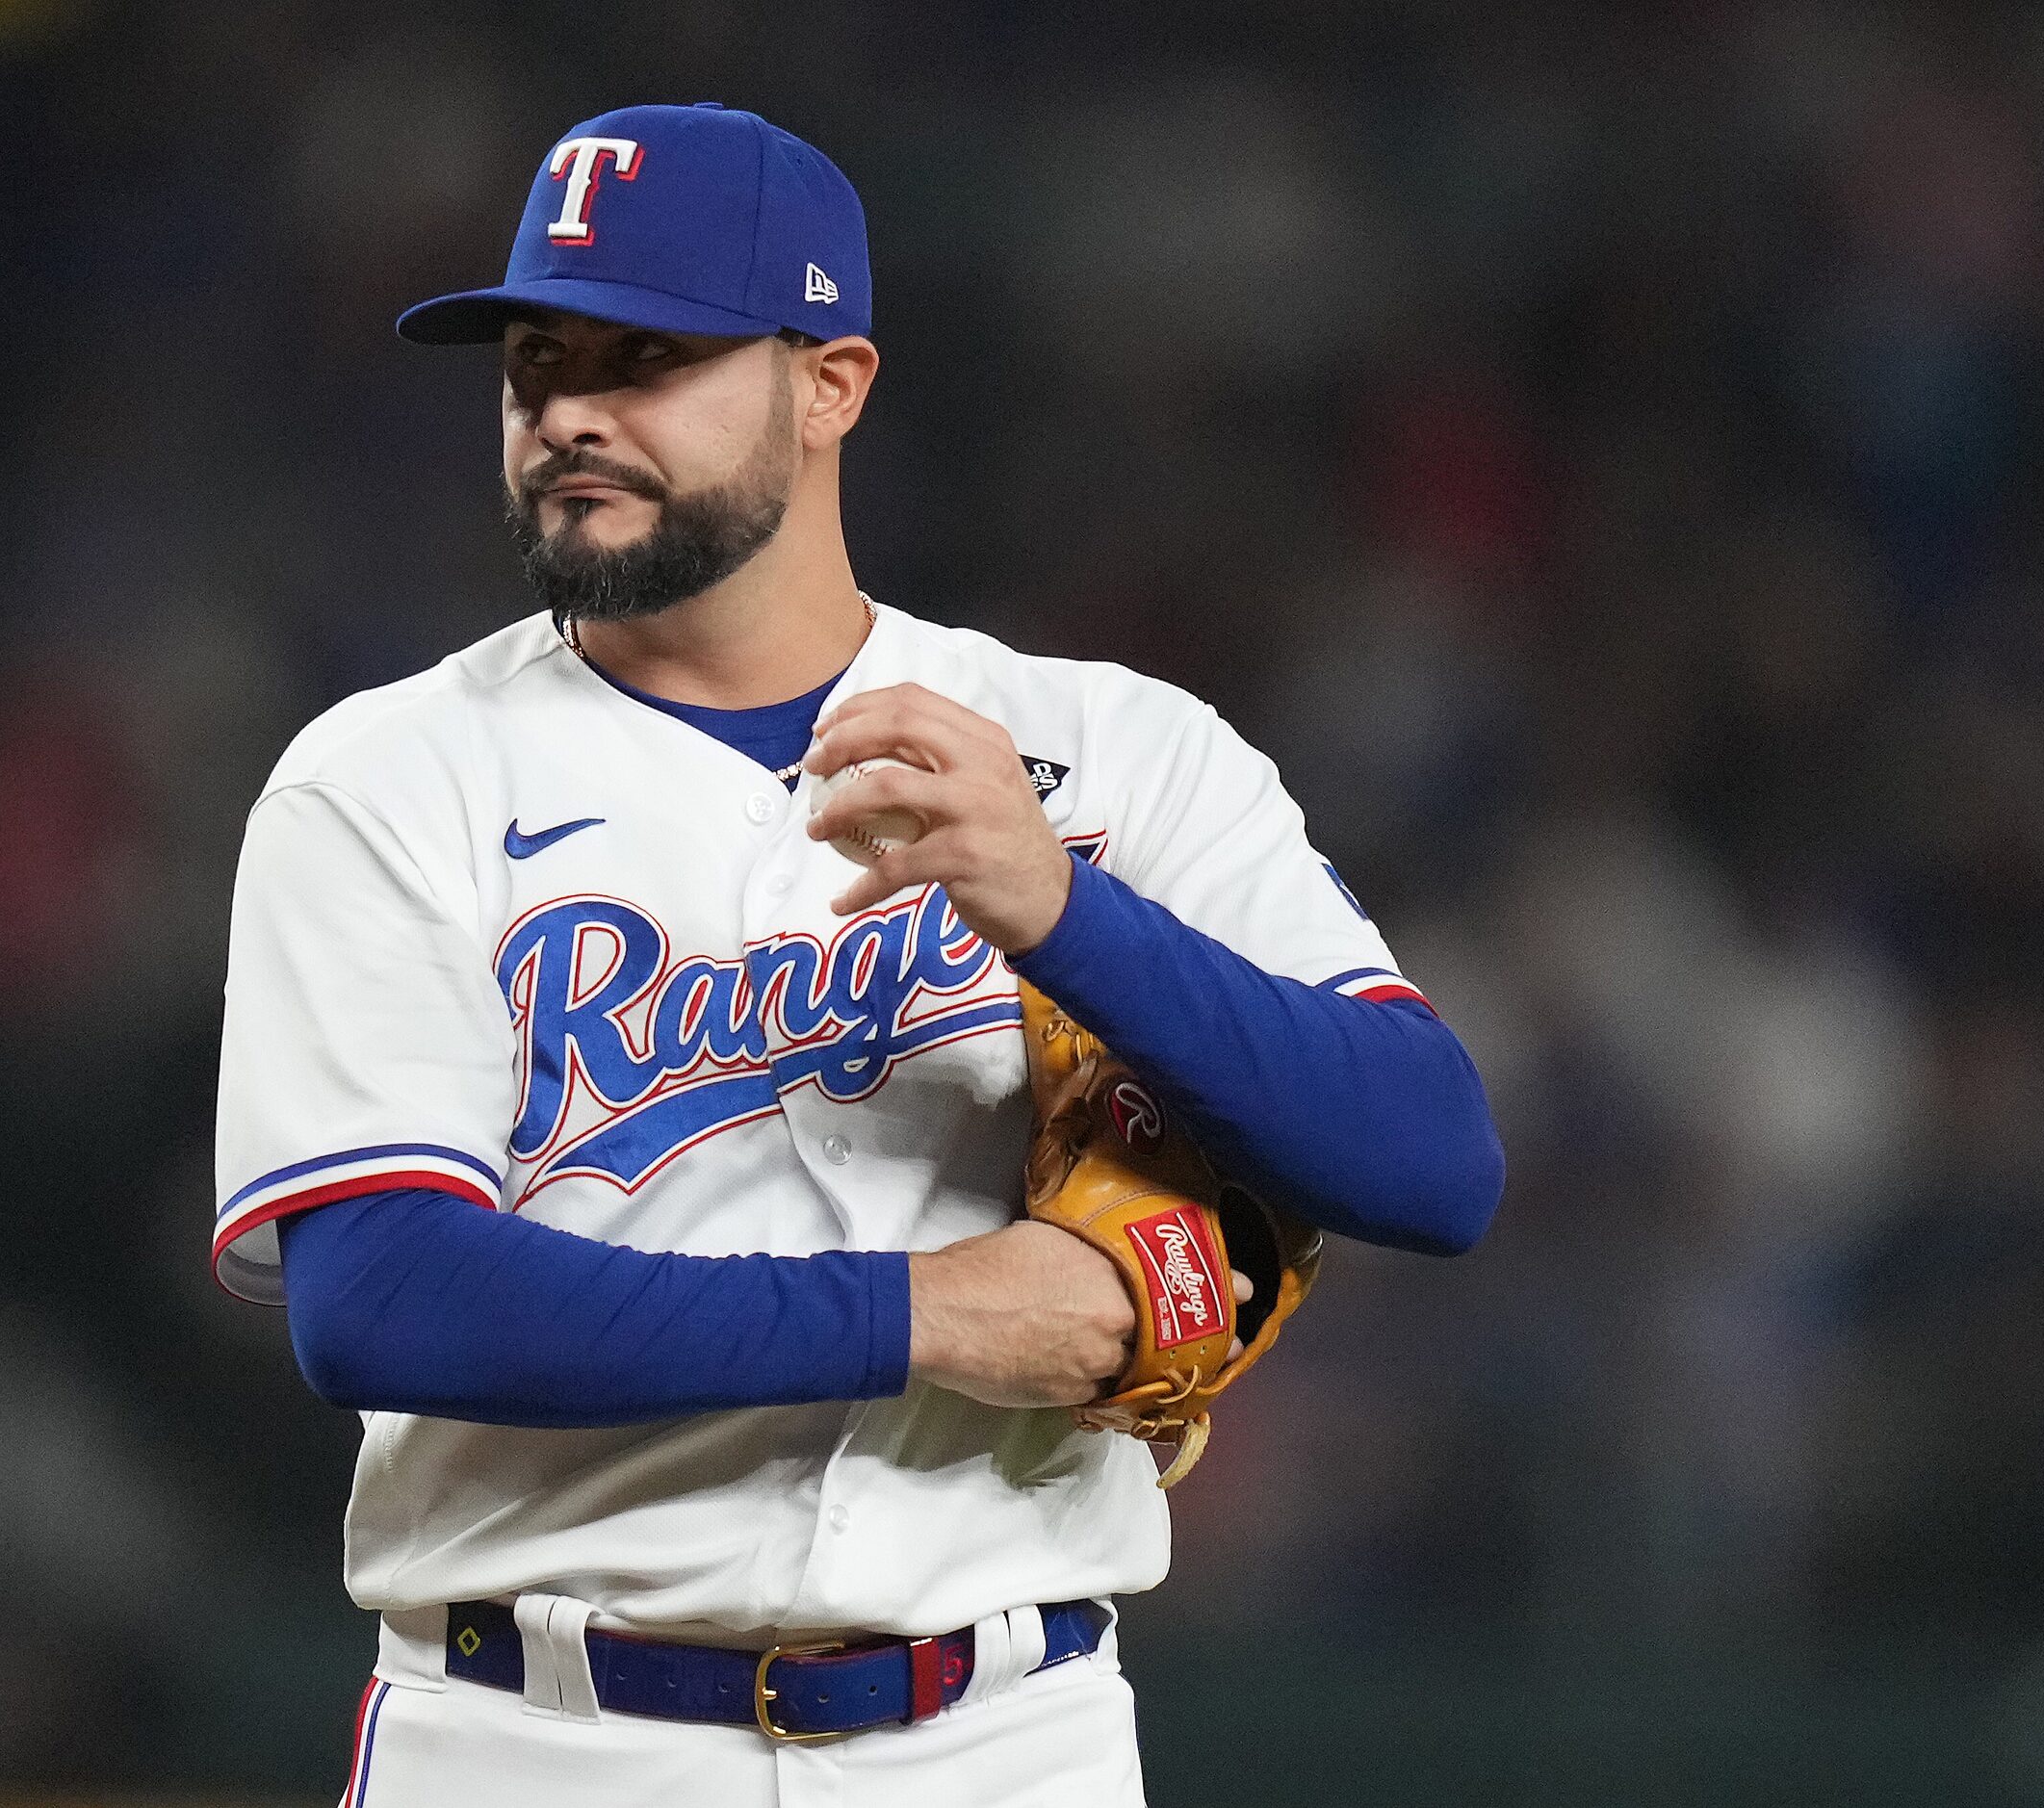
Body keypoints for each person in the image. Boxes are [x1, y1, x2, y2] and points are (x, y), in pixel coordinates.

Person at [212, 101, 1504, 1807]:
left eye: (645, 355)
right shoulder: (384, 778)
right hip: (536, 1735)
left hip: (1005, 1734)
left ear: (831, 383)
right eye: (534, 360)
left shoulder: (1109, 752)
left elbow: (1430, 1157)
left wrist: (1062, 912)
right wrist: (933, 1317)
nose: (568, 414)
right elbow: (385, 1300)